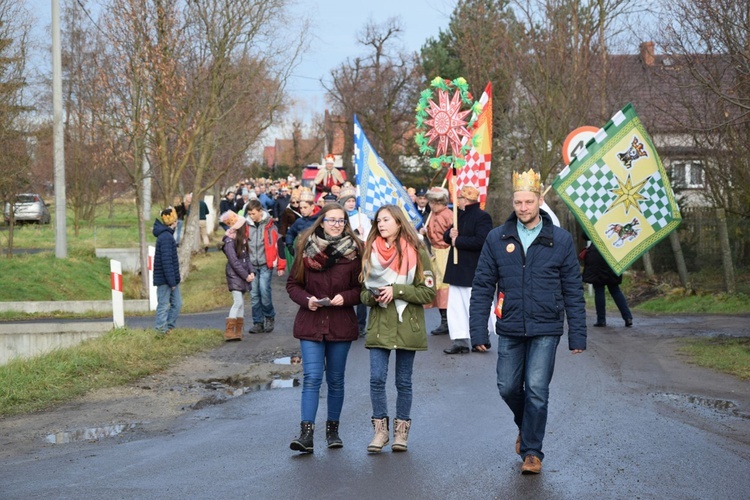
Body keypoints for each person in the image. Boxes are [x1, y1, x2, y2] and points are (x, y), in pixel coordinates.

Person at [469, 168, 587, 475]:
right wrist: (477, 329)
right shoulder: (497, 238)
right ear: (513, 202)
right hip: (509, 325)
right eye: (518, 202)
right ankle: (527, 426)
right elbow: (482, 285)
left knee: (536, 388)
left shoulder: (559, 240)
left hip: (546, 327)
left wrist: (578, 335)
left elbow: (573, 289)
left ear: (540, 201)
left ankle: (533, 451)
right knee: (508, 387)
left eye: (529, 202)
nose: (523, 208)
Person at [286, 204, 364, 453]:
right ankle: (306, 434)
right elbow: (292, 284)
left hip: (341, 323)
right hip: (311, 321)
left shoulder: (355, 251)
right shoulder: (305, 248)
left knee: (336, 380)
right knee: (312, 378)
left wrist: (347, 297)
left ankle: (333, 431)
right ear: (321, 222)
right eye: (331, 220)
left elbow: (362, 289)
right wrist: (306, 300)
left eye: (341, 221)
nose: (336, 224)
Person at [361, 205, 436, 453]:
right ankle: (380, 433)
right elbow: (363, 292)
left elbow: (428, 292)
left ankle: (401, 434)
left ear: (399, 222)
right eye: (378, 220)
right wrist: (374, 297)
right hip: (379, 324)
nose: (381, 224)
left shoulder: (416, 251)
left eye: (386, 219)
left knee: (403, 381)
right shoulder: (369, 251)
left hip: (407, 324)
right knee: (376, 379)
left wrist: (397, 290)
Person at [442, 185, 493, 354]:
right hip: (457, 269)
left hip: (472, 269)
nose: (458, 202)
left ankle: (481, 338)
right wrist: (450, 236)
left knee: (476, 304)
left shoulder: (482, 217)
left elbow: (482, 240)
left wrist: (458, 241)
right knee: (456, 306)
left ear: (467, 200)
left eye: (460, 199)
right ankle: (460, 339)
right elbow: (447, 235)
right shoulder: (458, 216)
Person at [245, 199, 286, 334]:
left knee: (264, 292)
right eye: (249, 214)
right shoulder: (245, 226)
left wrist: (281, 266)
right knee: (254, 295)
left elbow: (278, 245)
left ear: (260, 211)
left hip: (265, 265)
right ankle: (258, 322)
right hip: (251, 265)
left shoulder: (271, 226)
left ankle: (269, 317)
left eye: (253, 213)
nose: (251, 216)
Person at [338, 185, 371, 336]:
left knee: (361, 290)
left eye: (353, 200)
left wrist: (363, 236)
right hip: (345, 259)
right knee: (345, 291)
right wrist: (355, 233)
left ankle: (360, 324)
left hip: (361, 257)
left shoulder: (362, 217)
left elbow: (369, 236)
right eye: (348, 201)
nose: (351, 203)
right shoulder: (339, 218)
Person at [581, 235, 633, 327]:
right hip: (612, 255)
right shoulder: (615, 222)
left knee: (599, 290)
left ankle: (601, 320)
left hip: (596, 256)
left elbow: (585, 235)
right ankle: (627, 317)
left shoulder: (595, 221)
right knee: (615, 289)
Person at [219, 210, 255, 341]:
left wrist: (251, 272)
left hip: (243, 274)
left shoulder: (242, 241)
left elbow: (247, 258)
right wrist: (246, 275)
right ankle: (229, 331)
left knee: (241, 304)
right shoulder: (229, 241)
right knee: (238, 302)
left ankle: (238, 330)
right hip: (235, 275)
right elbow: (234, 261)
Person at [420, 187, 452, 335]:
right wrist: (425, 234)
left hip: (445, 252)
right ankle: (444, 319)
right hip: (434, 251)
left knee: (444, 285)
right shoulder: (431, 214)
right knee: (436, 284)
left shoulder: (448, 215)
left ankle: (447, 321)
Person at [153, 207, 182, 335]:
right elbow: (167, 262)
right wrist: (172, 282)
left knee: (177, 304)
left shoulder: (168, 236)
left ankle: (169, 328)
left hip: (171, 279)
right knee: (163, 306)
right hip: (165, 280)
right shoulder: (166, 238)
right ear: (173, 222)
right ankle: (160, 331)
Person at [285, 189, 318, 267]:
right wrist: (289, 245)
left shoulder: (319, 221)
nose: (302, 210)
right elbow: (290, 233)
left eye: (305, 207)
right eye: (301, 208)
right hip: (300, 256)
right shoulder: (298, 221)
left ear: (312, 207)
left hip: (315, 256)